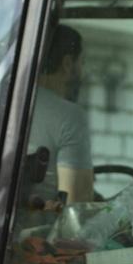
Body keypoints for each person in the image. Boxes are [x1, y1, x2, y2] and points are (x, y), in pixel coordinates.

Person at [26, 23, 93, 203]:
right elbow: (76, 207)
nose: (84, 72)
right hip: (34, 229)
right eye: (83, 62)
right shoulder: (70, 116)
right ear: (67, 64)